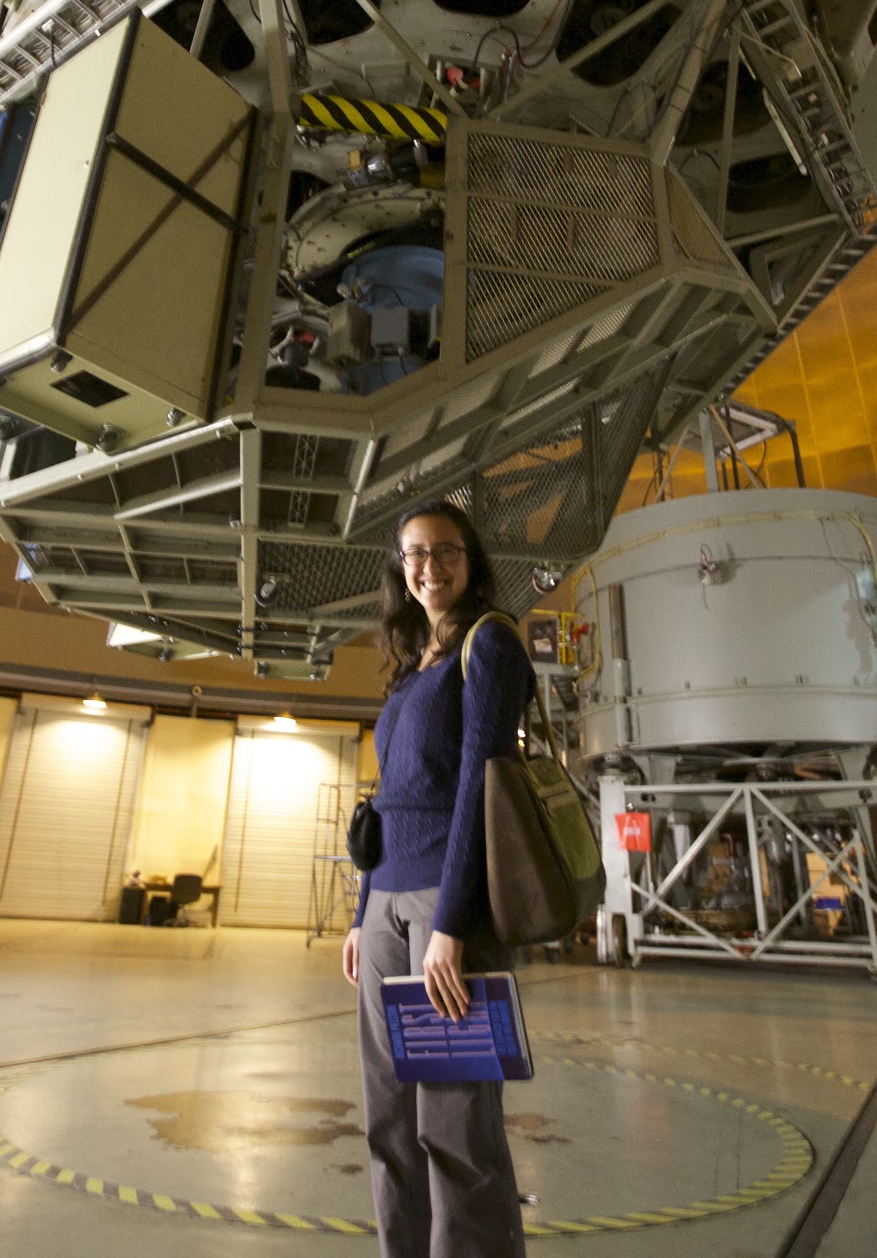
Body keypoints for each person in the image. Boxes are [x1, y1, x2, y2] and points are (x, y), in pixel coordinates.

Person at [342, 497, 533, 1258]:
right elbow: (389, 797)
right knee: (389, 1122)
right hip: (387, 903)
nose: (430, 566)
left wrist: (452, 925)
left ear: (471, 559)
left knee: (454, 1129)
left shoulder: (489, 647)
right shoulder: (410, 664)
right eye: (415, 554)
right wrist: (362, 912)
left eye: (445, 551)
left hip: (447, 910)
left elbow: (478, 791)